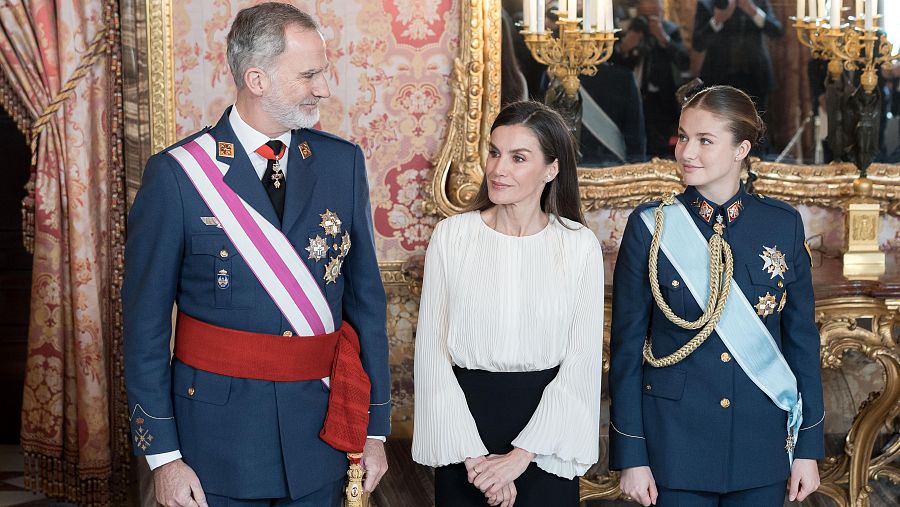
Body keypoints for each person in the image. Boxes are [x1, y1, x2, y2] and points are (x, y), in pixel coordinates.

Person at [123, 3, 390, 506]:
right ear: (257, 78)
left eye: (324, 72)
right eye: (309, 75)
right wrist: (163, 457)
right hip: (215, 441)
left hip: (321, 432)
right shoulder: (178, 176)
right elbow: (146, 325)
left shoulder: (341, 163)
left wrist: (374, 429)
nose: (324, 88)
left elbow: (366, 305)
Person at [609, 85, 824, 506]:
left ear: (741, 148)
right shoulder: (651, 227)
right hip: (673, 443)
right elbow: (626, 350)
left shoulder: (781, 224)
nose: (687, 151)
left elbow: (801, 343)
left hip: (759, 442)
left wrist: (807, 449)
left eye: (705, 140)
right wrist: (631, 454)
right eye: (684, 136)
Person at [412, 101, 604, 506]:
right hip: (463, 435)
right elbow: (431, 355)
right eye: (495, 152)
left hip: (547, 440)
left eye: (519, 158)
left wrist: (520, 458)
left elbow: (581, 363)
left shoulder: (579, 246)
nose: (499, 169)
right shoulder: (452, 237)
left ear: (551, 169)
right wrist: (476, 461)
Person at [615, 0, 690, 158]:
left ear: (661, 13)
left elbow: (684, 61)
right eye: (645, 16)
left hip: (660, 100)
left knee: (659, 147)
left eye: (653, 16)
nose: (648, 21)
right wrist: (625, 47)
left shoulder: (670, 30)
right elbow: (614, 65)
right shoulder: (630, 30)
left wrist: (663, 37)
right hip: (631, 96)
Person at [693, 0, 783, 123]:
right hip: (718, 80)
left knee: (755, 128)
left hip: (755, 78)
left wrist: (753, 11)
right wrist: (717, 21)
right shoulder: (706, 3)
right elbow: (698, 44)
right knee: (719, 127)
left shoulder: (759, 1)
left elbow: (777, 32)